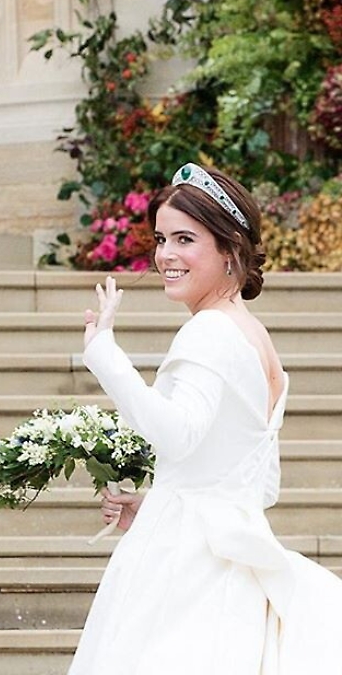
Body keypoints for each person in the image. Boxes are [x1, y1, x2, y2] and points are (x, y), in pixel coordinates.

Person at [72, 162, 342, 674]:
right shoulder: (252, 334)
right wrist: (161, 502)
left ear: (230, 249)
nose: (165, 255)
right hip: (232, 557)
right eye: (161, 239)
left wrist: (103, 353)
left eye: (185, 239)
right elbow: (259, 482)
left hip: (187, 566)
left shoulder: (209, 331)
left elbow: (177, 436)